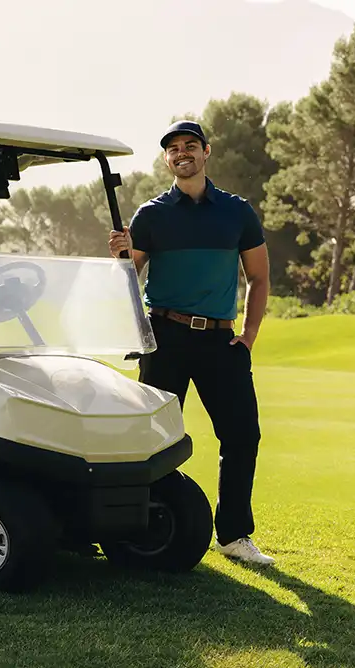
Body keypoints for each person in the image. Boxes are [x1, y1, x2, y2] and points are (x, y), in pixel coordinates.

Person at [109, 120, 274, 566]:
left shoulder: (237, 212)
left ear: (206, 152)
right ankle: (149, 526)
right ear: (167, 159)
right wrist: (120, 255)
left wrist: (249, 336)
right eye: (173, 149)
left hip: (221, 340)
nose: (182, 153)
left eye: (189, 146)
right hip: (165, 336)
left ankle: (234, 535)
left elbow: (259, 278)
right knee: (154, 436)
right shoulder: (151, 214)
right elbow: (127, 276)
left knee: (242, 434)